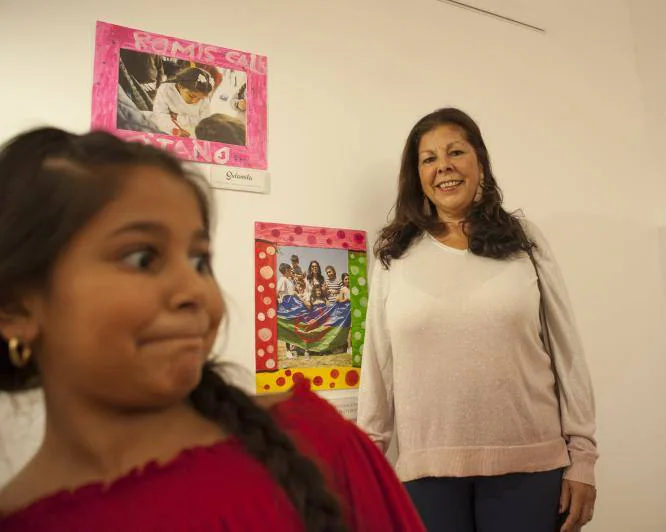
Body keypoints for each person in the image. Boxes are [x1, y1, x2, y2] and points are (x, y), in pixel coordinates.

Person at [0, 127, 425, 532]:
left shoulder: (317, 441)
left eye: (199, 261)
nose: (196, 290)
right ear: (17, 305)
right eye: (142, 258)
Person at [356, 108, 598, 532]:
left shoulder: (524, 239)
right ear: (417, 175)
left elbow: (567, 351)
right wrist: (367, 466)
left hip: (531, 464)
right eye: (428, 158)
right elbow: (377, 365)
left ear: (479, 161)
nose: (443, 166)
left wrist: (584, 458)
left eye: (455, 152)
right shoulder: (393, 253)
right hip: (427, 472)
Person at [151, 66, 214, 138]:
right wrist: (175, 130)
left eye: (200, 98)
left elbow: (205, 122)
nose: (195, 101)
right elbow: (160, 114)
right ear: (180, 86)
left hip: (194, 132)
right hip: (169, 127)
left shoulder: (204, 99)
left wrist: (179, 117)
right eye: (191, 96)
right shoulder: (165, 89)